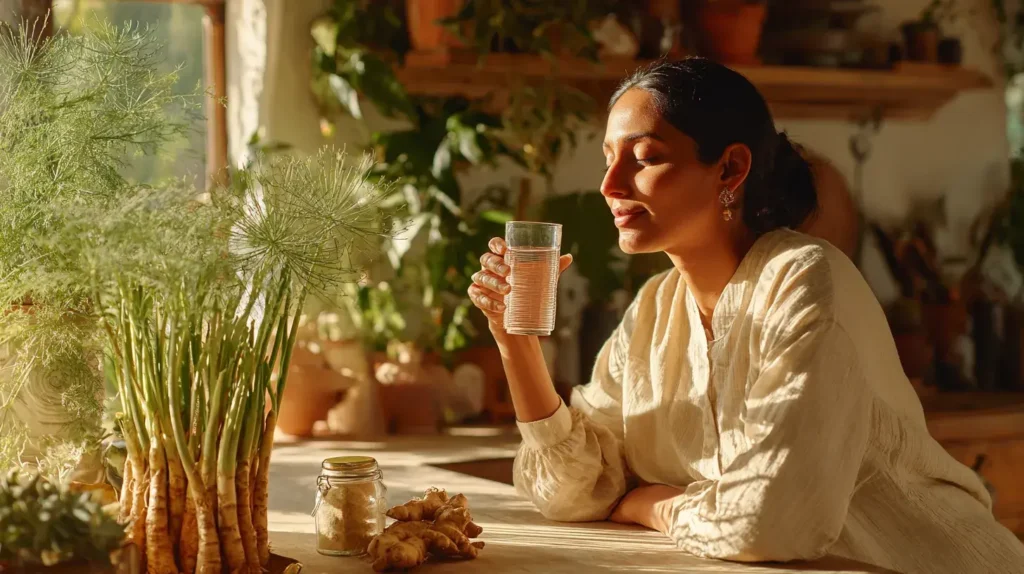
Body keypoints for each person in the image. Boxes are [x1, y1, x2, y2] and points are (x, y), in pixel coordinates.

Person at [467, 58, 1024, 574]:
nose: (610, 187)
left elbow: (766, 522)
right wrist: (516, 344)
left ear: (730, 167)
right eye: (608, 159)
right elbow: (575, 491)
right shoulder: (655, 310)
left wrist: (650, 504)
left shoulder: (806, 279)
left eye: (643, 159)